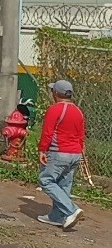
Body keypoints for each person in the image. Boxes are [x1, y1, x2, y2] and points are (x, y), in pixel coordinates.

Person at [37, 80, 85, 230]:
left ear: (56, 93)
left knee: (45, 180)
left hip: (59, 152)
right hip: (75, 153)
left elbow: (47, 132)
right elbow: (81, 135)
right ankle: (57, 217)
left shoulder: (55, 109)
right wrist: (80, 151)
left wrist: (42, 150)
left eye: (52, 91)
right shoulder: (78, 111)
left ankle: (71, 210)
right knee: (64, 184)